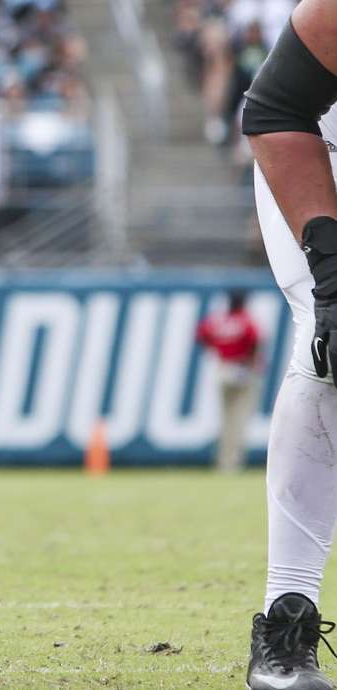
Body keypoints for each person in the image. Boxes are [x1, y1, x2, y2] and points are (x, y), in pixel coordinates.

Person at [243, 0, 337, 686]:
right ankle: (287, 617)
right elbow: (275, 109)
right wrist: (330, 267)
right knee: (329, 336)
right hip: (317, 145)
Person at [195, 289, 261, 473]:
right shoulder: (246, 320)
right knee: (239, 418)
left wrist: (216, 352)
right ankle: (234, 462)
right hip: (243, 369)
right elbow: (255, 342)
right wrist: (252, 365)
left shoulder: (218, 320)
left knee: (224, 419)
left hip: (223, 368)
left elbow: (201, 335)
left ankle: (222, 461)